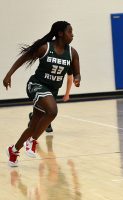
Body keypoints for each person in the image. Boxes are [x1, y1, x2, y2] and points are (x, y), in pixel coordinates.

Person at [3, 21, 81, 167]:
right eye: (70, 31)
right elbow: (24, 58)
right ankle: (32, 141)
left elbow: (77, 73)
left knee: (34, 125)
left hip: (51, 92)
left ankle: (13, 150)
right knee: (52, 111)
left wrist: (77, 79)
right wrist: (9, 74)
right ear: (60, 33)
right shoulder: (45, 48)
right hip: (36, 85)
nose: (72, 34)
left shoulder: (72, 53)